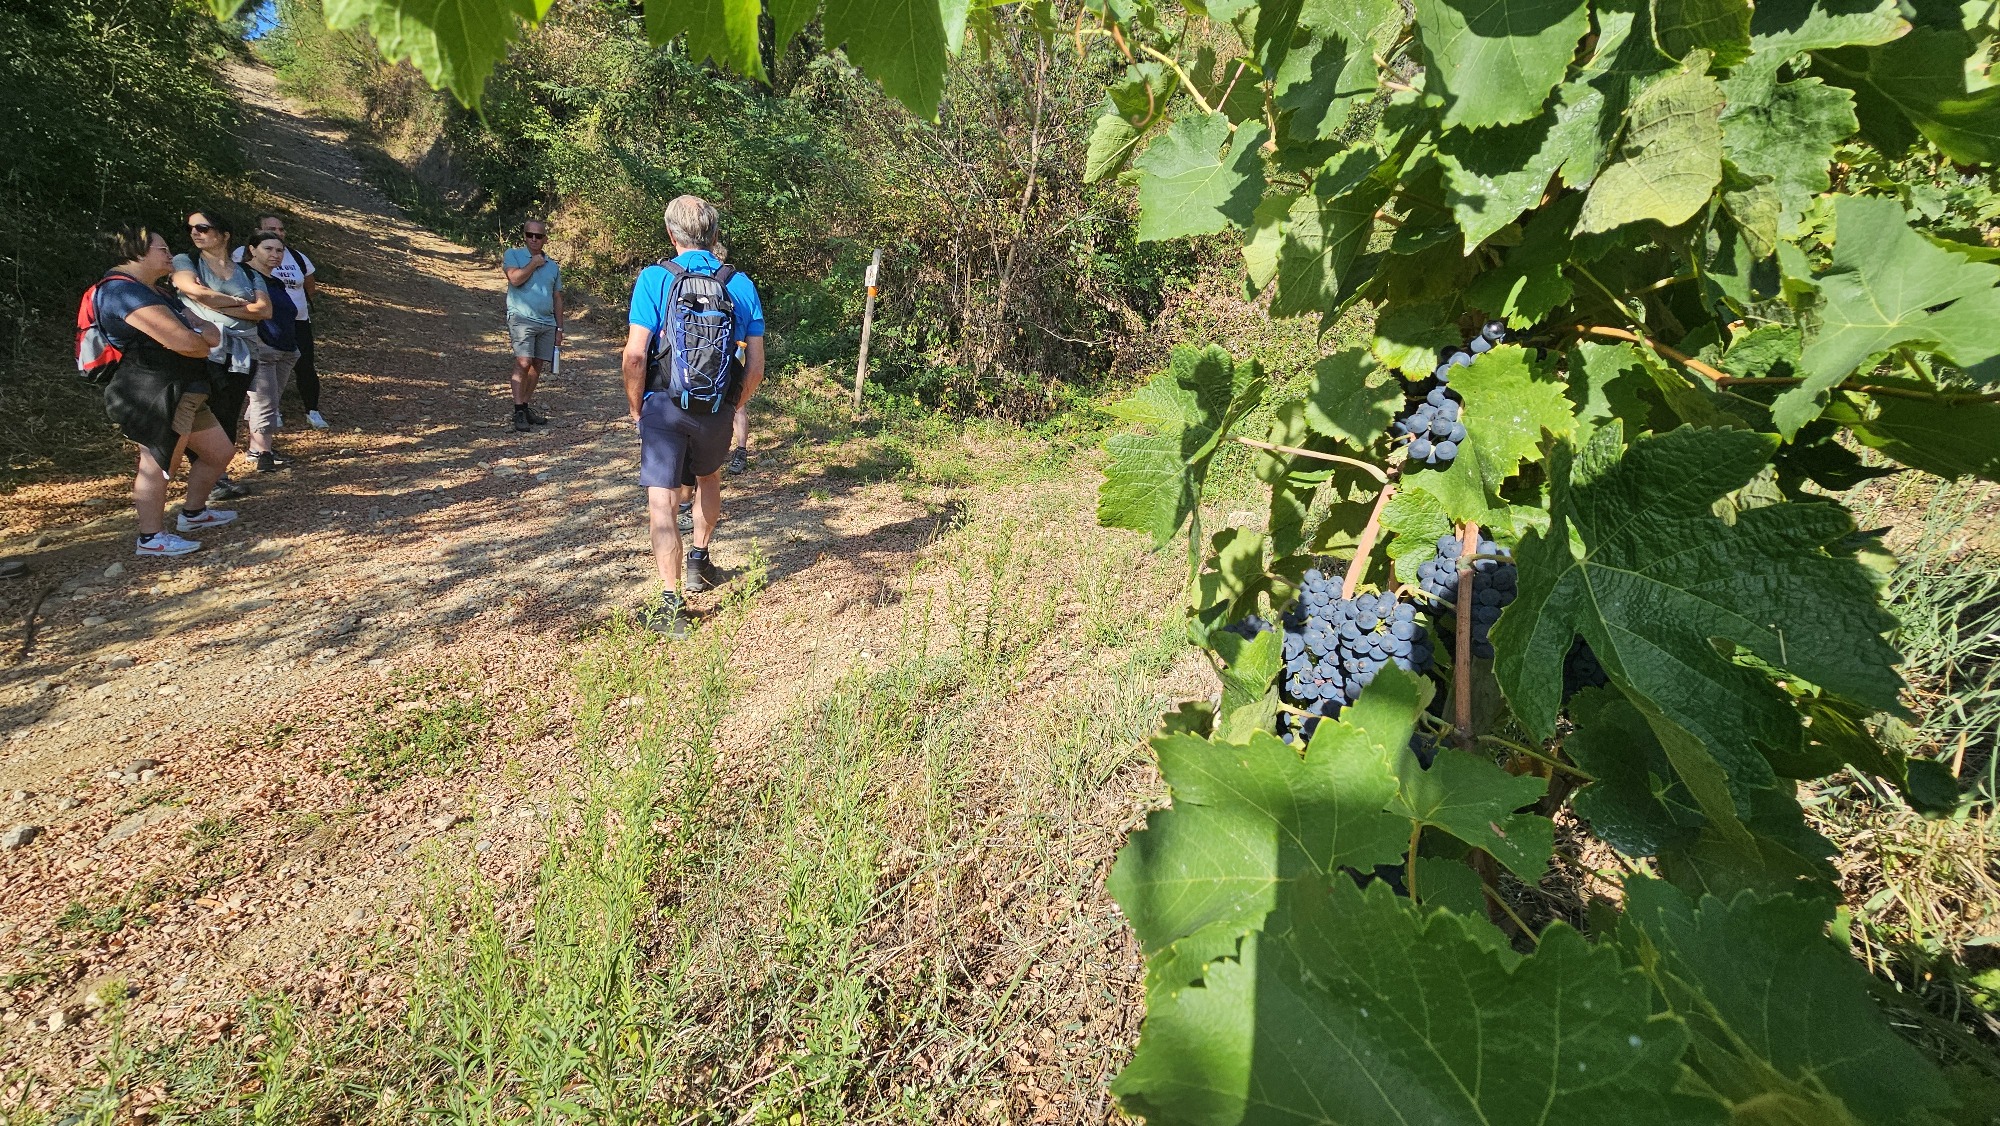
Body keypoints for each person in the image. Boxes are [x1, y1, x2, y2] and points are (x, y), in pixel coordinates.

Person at [621, 195, 765, 635]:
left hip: (664, 405)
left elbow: (634, 357)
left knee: (662, 500)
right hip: (717, 406)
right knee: (709, 479)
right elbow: (756, 365)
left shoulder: (654, 279)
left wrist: (636, 408)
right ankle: (699, 562)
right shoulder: (739, 284)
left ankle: (670, 606)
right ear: (715, 235)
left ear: (671, 234)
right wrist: (735, 404)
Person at [93, 224, 239, 557]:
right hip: (152, 392)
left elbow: (210, 333)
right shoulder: (121, 291)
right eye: (162, 249)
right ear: (137, 251)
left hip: (185, 389)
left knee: (219, 452)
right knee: (158, 463)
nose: (171, 255)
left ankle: (193, 514)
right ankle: (151, 537)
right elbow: (187, 340)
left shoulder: (157, 292)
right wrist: (197, 341)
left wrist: (198, 339)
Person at [172, 208, 270, 498]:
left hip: (241, 352)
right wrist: (239, 304)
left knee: (228, 411)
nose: (195, 233)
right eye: (190, 228)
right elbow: (192, 291)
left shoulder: (248, 272)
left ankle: (218, 477)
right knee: (202, 412)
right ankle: (207, 480)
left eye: (203, 228)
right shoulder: (185, 261)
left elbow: (265, 310)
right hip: (204, 349)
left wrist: (212, 301)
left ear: (224, 234)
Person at [234, 213, 326, 428]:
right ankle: (263, 413)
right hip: (262, 322)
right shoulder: (242, 256)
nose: (278, 234)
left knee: (304, 365)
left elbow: (309, 286)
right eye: (271, 229)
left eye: (281, 230)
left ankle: (311, 410)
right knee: (264, 367)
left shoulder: (297, 256)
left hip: (297, 321)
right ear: (256, 237)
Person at [241, 231, 302, 472]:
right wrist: (257, 341)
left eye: (279, 250)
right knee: (264, 400)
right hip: (263, 348)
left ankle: (257, 446)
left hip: (285, 347)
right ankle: (262, 453)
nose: (275, 255)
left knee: (269, 400)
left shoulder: (274, 280)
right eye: (268, 249)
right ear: (252, 249)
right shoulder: (244, 276)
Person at [501, 219, 563, 432]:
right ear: (525, 236)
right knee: (524, 361)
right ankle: (518, 410)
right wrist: (534, 263)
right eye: (530, 235)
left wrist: (559, 328)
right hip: (522, 318)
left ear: (545, 238)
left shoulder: (553, 266)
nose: (534, 239)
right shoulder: (513, 255)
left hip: (547, 322)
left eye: (538, 236)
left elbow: (557, 297)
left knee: (537, 364)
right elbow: (515, 279)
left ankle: (524, 406)